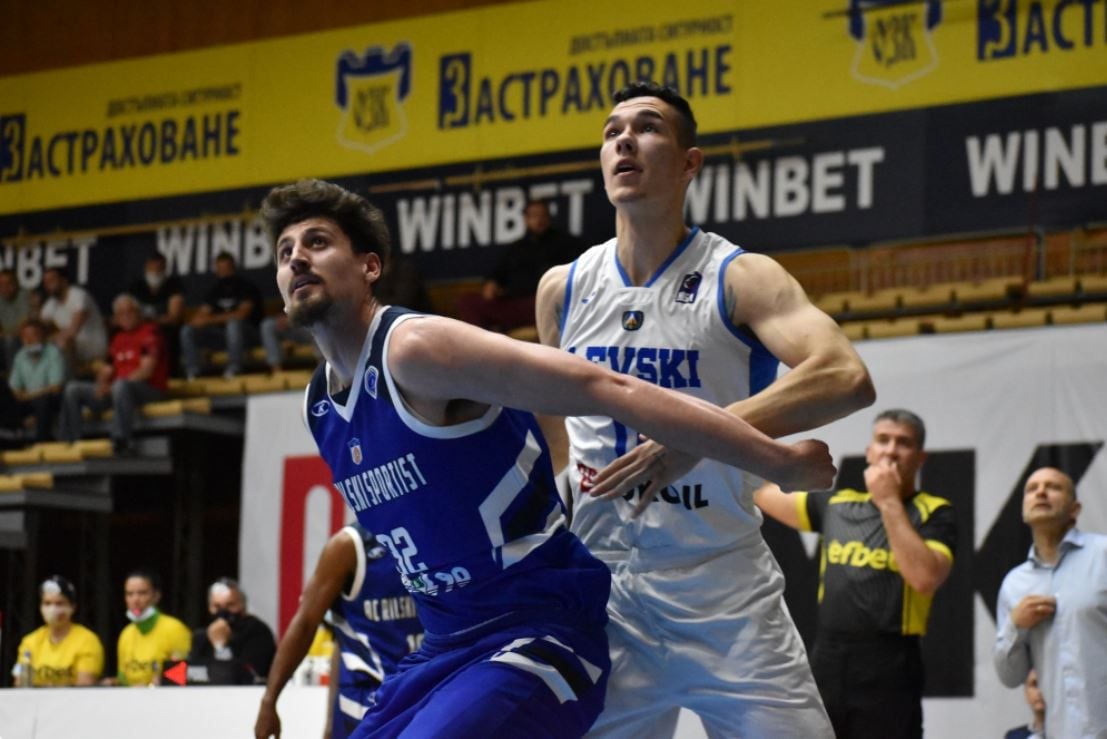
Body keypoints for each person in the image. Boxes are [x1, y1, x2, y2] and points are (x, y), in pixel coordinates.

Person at [259, 177, 836, 738]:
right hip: (444, 646)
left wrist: (775, 462)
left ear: (369, 267)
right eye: (285, 252)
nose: (297, 260)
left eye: (317, 242)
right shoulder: (320, 404)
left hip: (537, 632)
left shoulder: (415, 350)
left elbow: (607, 388)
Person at [535, 81, 875, 738]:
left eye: (647, 127)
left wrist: (695, 438)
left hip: (722, 590)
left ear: (690, 162)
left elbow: (844, 376)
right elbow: (556, 437)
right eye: (611, 132)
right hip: (605, 591)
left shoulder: (740, 276)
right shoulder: (562, 289)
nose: (624, 140)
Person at [755, 409, 956, 738]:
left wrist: (889, 500)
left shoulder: (935, 511)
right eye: (883, 440)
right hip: (829, 656)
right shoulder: (839, 504)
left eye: (902, 443)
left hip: (891, 660)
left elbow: (924, 578)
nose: (890, 450)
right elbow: (760, 494)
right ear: (869, 452)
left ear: (920, 457)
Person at [255, 523, 424, 739]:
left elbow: (341, 640)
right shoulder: (349, 546)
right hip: (368, 699)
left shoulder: (430, 533)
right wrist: (269, 700)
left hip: (421, 691)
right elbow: (306, 624)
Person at [994, 466, 1107, 738]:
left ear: (1075, 509)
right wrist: (1015, 626)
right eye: (1032, 489)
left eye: (1053, 487)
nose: (1041, 492)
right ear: (1023, 510)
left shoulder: (1103, 555)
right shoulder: (1014, 585)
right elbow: (1010, 676)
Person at [60, 293, 168, 454]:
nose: (126, 316)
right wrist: (102, 384)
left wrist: (112, 386)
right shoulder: (118, 338)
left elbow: (146, 371)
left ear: (138, 312)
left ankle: (122, 440)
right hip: (118, 391)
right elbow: (107, 369)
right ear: (116, 318)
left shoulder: (150, 333)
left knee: (120, 385)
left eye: (129, 311)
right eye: (121, 313)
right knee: (72, 389)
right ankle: (73, 443)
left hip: (149, 389)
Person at [458, 200, 579, 332]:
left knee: (550, 303)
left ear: (548, 217)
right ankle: (481, 347)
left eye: (542, 215)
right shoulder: (517, 247)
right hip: (512, 303)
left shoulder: (566, 244)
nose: (538, 220)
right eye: (533, 216)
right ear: (526, 219)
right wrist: (492, 284)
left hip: (540, 303)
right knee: (468, 302)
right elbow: (498, 274)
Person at [179, 251, 263, 379]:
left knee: (233, 325)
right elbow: (199, 318)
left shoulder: (246, 287)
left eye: (227, 268)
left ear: (233, 268)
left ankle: (235, 368)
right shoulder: (215, 290)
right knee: (187, 330)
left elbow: (241, 315)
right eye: (221, 269)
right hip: (221, 337)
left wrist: (211, 319)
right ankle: (193, 372)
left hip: (248, 336)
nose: (224, 272)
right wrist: (207, 320)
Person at [12, 575, 104, 687]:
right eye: (47, 603)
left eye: (59, 603)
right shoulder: (29, 642)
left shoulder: (87, 640)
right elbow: (20, 684)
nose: (52, 609)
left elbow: (84, 686)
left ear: (72, 607)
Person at [187, 577, 276, 685]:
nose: (223, 612)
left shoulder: (257, 632)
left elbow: (248, 676)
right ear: (209, 608)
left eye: (230, 605)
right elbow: (192, 674)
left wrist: (221, 647)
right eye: (217, 606)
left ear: (242, 606)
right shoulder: (201, 637)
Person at [111, 569, 191, 687]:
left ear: (156, 596)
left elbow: (184, 679)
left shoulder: (175, 629)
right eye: (129, 594)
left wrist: (156, 684)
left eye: (142, 593)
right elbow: (123, 679)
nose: (135, 600)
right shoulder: (126, 634)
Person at [2, 318, 65, 441]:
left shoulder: (53, 352)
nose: (29, 340)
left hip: (51, 399)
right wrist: (23, 396)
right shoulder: (20, 356)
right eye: (25, 337)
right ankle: (10, 439)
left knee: (42, 401)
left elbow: (55, 387)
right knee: (5, 398)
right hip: (30, 399)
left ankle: (42, 440)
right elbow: (14, 389)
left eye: (33, 336)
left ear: (42, 336)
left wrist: (28, 396)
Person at [39, 266, 108, 370]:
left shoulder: (78, 295)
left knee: (63, 342)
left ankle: (63, 383)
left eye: (52, 280)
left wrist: (51, 338)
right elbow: (39, 330)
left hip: (92, 348)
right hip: (72, 350)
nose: (48, 284)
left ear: (64, 280)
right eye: (46, 282)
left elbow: (73, 331)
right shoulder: (50, 304)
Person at [127, 252, 185, 372]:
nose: (156, 271)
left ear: (165, 268)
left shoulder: (173, 285)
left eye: (160, 268)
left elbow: (174, 318)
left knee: (168, 333)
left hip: (163, 329)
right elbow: (128, 313)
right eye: (152, 267)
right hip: (139, 329)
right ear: (146, 267)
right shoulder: (137, 287)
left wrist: (150, 320)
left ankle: (170, 372)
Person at [0, 268, 32, 370]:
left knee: (10, 340)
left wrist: (4, 333)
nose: (5, 288)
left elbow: (23, 325)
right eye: (1, 284)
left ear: (16, 283)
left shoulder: (24, 295)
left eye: (8, 283)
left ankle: (13, 380)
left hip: (24, 339)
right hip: (5, 337)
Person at [1004, 669, 1045, 739]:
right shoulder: (1014, 736)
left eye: (1044, 684)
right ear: (1026, 693)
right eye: (1034, 684)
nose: (1039, 692)